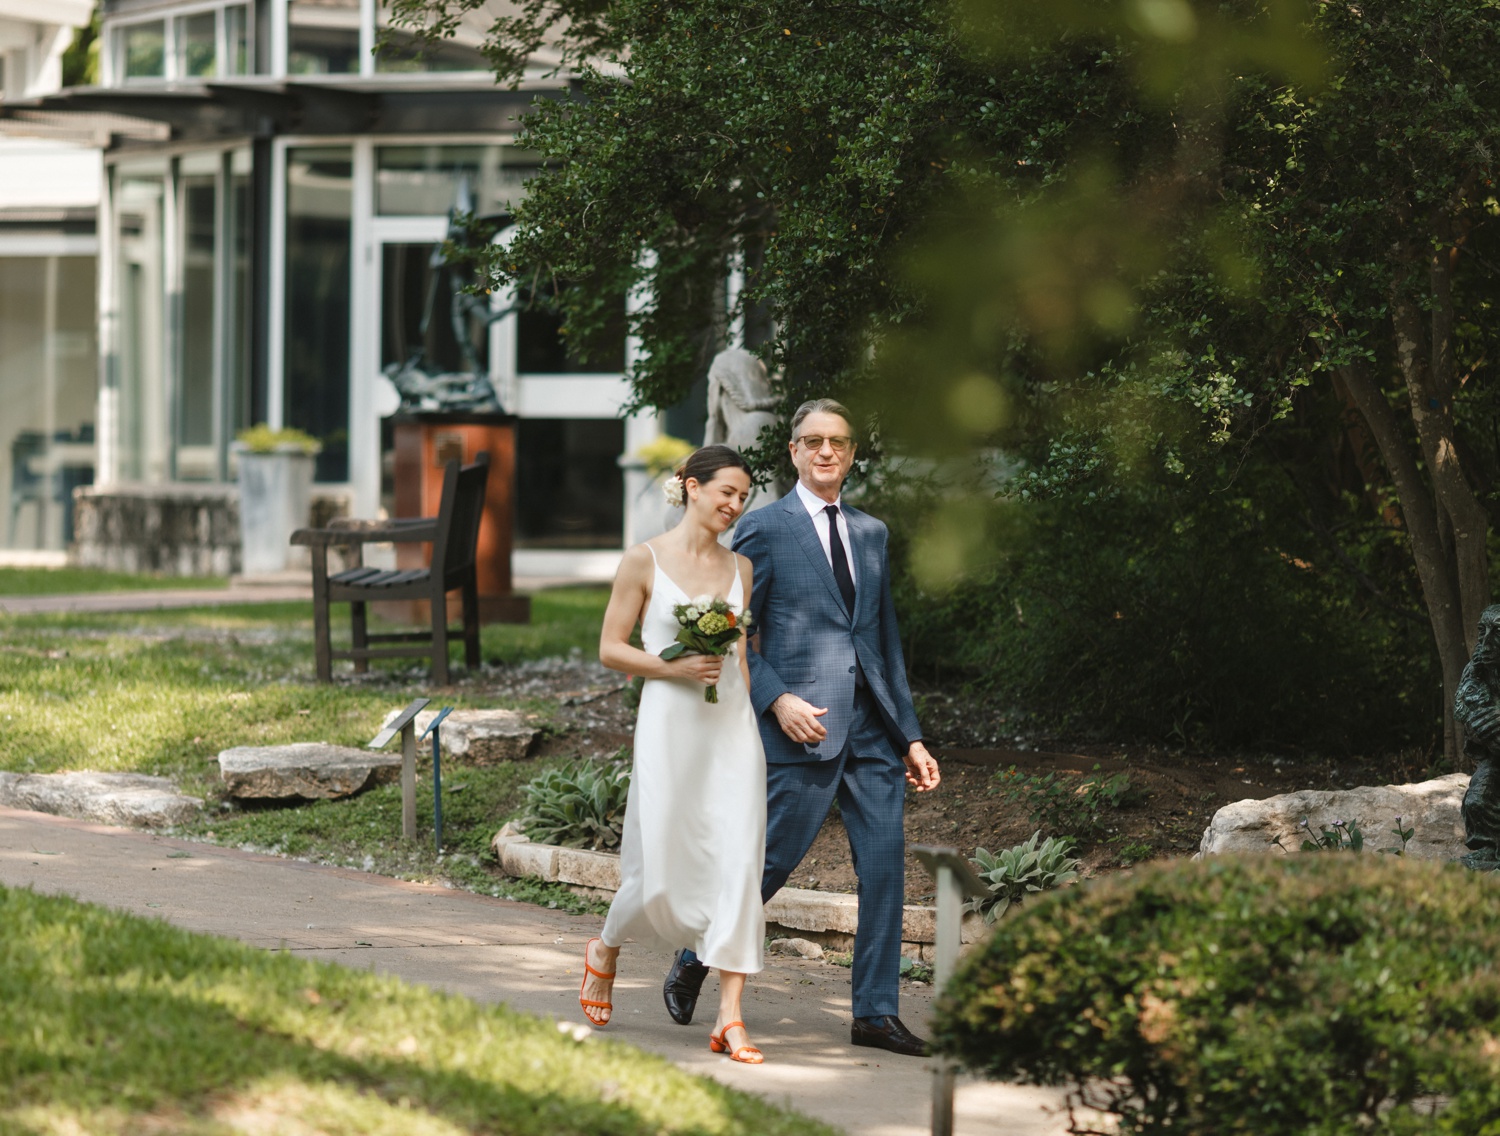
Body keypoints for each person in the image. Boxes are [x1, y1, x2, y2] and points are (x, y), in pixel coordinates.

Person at [662, 398, 941, 1057]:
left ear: (850, 453)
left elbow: (882, 639)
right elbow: (731, 632)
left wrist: (911, 735)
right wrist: (777, 700)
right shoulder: (765, 529)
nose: (825, 452)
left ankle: (873, 1013)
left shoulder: (872, 533)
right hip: (800, 729)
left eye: (838, 443)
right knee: (768, 864)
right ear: (792, 451)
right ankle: (696, 954)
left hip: (871, 731)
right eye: (812, 441)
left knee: (884, 869)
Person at [581, 444, 769, 1064]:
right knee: (657, 869)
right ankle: (606, 946)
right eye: (727, 492)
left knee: (740, 863)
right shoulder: (644, 561)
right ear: (691, 486)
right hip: (668, 725)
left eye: (744, 497)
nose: (736, 506)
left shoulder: (741, 569)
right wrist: (676, 665)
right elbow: (611, 648)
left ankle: (731, 1019)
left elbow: (743, 656)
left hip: (732, 730)